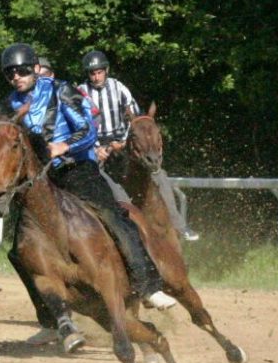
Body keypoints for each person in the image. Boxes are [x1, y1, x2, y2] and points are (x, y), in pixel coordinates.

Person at [0, 43, 177, 348]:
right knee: (18, 252)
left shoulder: (60, 90)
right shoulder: (6, 105)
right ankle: (52, 321)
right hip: (40, 182)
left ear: (35, 69)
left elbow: (88, 131)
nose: (17, 77)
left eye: (23, 70)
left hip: (76, 169)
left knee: (114, 216)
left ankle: (148, 286)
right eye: (10, 73)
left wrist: (62, 147)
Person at [78, 50, 198, 241]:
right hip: (96, 147)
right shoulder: (81, 92)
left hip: (122, 142)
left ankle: (179, 225)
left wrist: (124, 142)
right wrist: (96, 148)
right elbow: (80, 125)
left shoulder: (118, 88)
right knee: (88, 180)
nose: (96, 76)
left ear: (106, 70)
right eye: (92, 73)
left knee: (158, 174)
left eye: (99, 72)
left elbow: (135, 120)